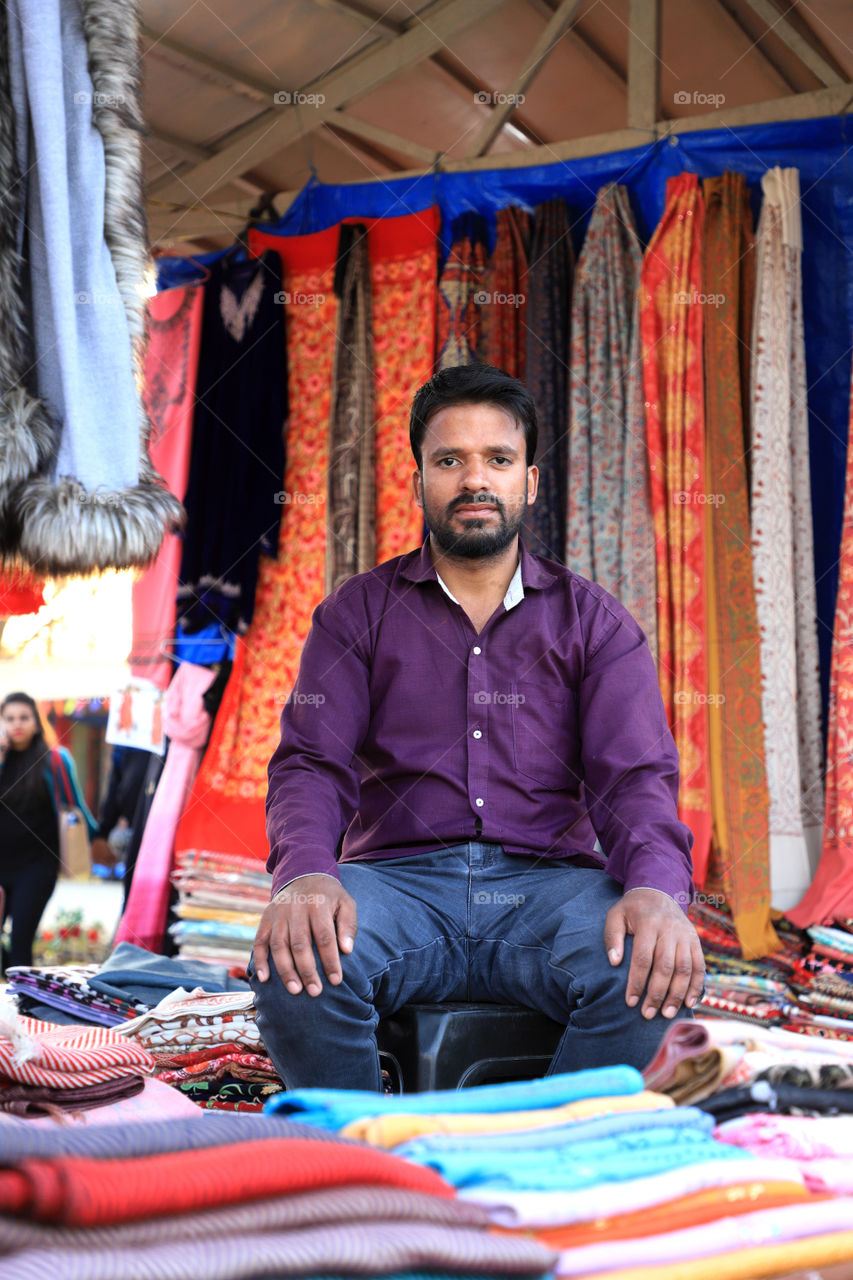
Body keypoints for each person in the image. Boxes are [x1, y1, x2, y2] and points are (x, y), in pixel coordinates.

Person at [251, 363, 705, 1091]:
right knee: (293, 965)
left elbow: (634, 777)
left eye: (497, 459)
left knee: (658, 974)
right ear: (419, 480)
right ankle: (370, 1168)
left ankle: (532, 1159)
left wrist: (654, 888)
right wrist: (304, 874)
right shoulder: (356, 613)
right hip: (397, 887)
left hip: (550, 892)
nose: (474, 480)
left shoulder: (594, 622)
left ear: (528, 481)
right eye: (448, 460)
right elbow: (310, 763)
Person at [0, 692, 97, 971]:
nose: (17, 724)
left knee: (20, 943)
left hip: (36, 867)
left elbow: (75, 809)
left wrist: (97, 839)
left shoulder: (54, 760)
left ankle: (24, 1008)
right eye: (9, 718)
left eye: (24, 717)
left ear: (36, 721)